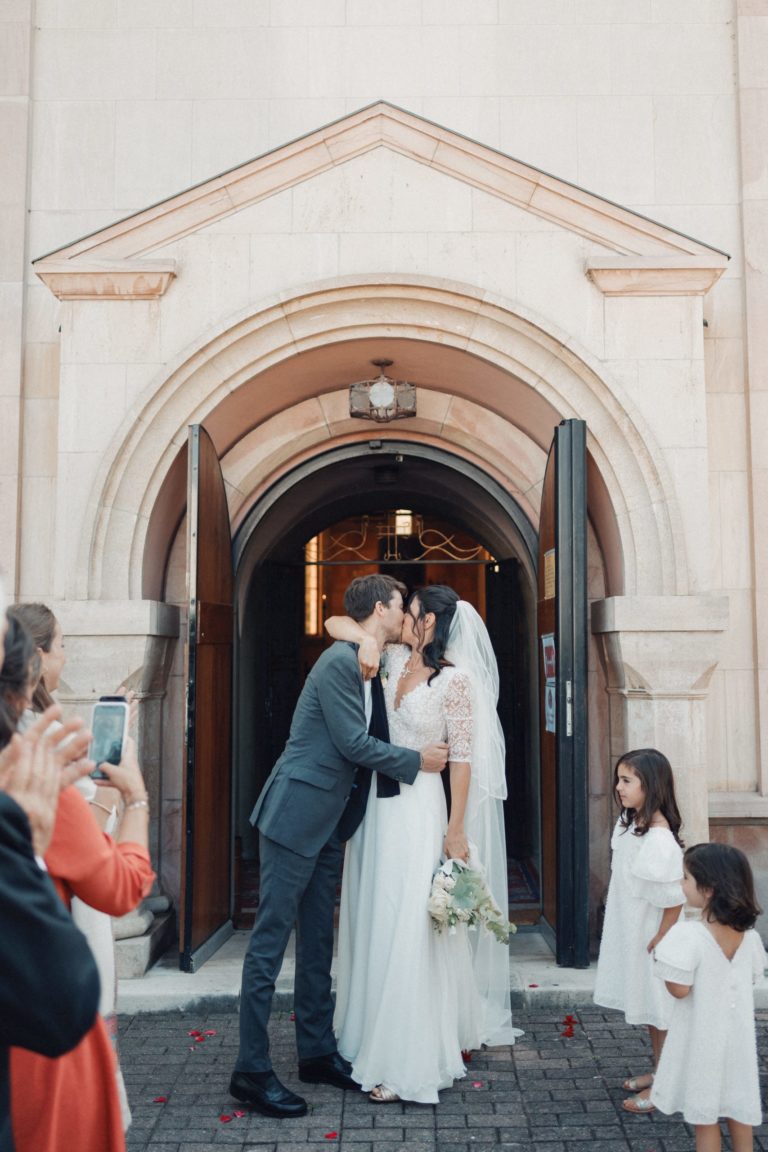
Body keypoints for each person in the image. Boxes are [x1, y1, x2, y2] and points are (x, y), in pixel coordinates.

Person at [230, 574, 449, 1119]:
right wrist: (416, 762)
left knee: (317, 944)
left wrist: (368, 638)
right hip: (295, 817)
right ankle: (251, 1071)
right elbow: (353, 742)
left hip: (330, 824)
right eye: (401, 608)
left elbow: (349, 629)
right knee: (268, 945)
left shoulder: (368, 651)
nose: (405, 618)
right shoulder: (336, 663)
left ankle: (317, 1053)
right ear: (381, 608)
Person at [327, 585, 515, 1104]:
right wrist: (364, 641)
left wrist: (455, 830)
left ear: (429, 621)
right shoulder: (388, 659)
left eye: (411, 612)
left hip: (421, 810)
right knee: (377, 917)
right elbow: (333, 624)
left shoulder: (454, 681)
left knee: (410, 923)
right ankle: (367, 1032)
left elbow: (462, 760)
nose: (404, 619)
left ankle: (406, 1058)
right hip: (376, 810)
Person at [650, 844, 765, 1151]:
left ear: (708, 889)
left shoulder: (689, 935)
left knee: (707, 1117)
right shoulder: (750, 937)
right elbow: (751, 976)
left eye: (685, 878)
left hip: (703, 1041)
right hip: (738, 1043)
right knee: (740, 1111)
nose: (681, 884)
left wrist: (661, 963)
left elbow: (680, 989)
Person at [593, 749, 685, 1114]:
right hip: (631, 926)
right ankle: (661, 1069)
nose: (618, 787)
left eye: (627, 781)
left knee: (661, 1010)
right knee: (650, 1008)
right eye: (618, 779)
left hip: (651, 933)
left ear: (652, 786)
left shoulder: (659, 838)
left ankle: (667, 1082)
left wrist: (663, 937)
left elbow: (675, 897)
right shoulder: (632, 822)